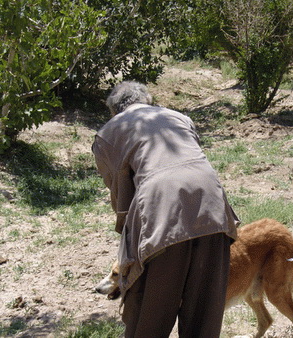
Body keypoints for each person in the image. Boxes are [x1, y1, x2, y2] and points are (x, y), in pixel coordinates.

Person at [92, 81, 239, 338]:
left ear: (114, 110)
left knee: (147, 313)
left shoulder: (108, 133)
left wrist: (131, 241)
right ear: (147, 101)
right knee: (203, 317)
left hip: (160, 212)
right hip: (214, 209)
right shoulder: (179, 117)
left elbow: (121, 196)